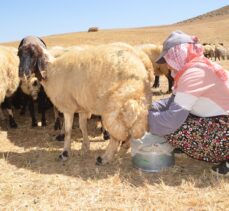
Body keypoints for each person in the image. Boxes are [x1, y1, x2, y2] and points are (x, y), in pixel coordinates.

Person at [148, 30, 229, 176]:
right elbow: (171, 103)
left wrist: (140, 119)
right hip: (221, 122)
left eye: (168, 59)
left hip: (226, 130)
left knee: (173, 128)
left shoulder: (194, 73)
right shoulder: (192, 69)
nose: (167, 65)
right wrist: (147, 108)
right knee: (168, 119)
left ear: (178, 54)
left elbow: (172, 120)